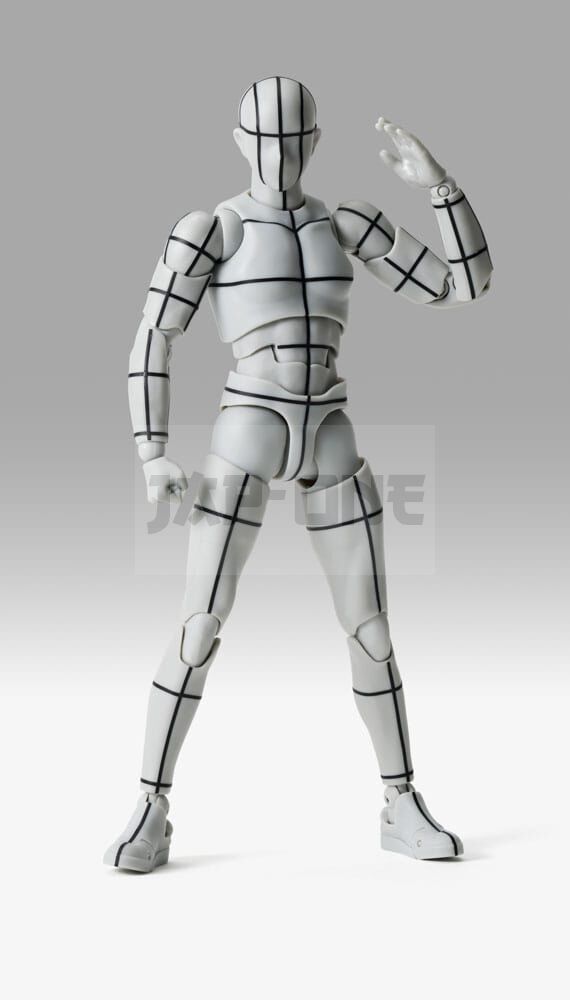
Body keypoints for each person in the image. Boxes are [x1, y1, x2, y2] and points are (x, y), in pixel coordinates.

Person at [105, 76, 492, 872]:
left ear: (314, 142)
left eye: (293, 139)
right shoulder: (212, 229)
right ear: (240, 141)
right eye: (265, 139)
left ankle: (400, 802)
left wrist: (441, 186)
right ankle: (149, 806)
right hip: (247, 427)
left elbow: (464, 285)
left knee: (373, 631)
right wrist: (151, 450)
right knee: (199, 627)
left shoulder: (346, 223)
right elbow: (153, 336)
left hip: (331, 429)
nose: (279, 154)